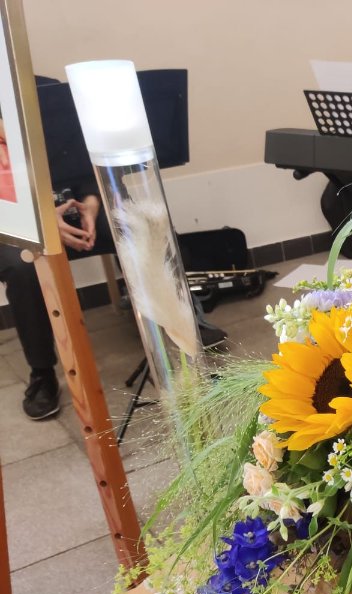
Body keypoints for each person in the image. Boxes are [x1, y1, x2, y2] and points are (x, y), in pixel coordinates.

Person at [0, 87, 226, 421]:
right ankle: (42, 372)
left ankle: (179, 325)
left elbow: (80, 161)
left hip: (69, 201)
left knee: (142, 224)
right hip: (14, 219)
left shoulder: (45, 91)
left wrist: (92, 204)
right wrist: (41, 219)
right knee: (21, 268)